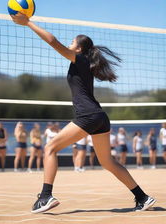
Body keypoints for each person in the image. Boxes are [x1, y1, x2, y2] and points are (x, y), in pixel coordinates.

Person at [11, 13, 155, 213]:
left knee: (50, 148)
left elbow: (53, 41)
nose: (69, 44)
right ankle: (142, 197)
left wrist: (28, 23)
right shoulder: (83, 62)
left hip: (88, 116)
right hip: (99, 117)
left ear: (79, 48)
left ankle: (45, 196)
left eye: (72, 42)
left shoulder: (79, 59)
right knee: (108, 162)